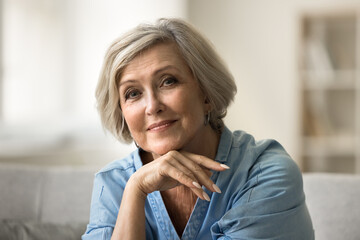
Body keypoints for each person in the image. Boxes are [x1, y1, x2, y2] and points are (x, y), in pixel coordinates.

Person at [82, 18, 314, 240]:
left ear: (206, 93)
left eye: (168, 81)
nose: (152, 106)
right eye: (133, 93)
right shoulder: (115, 184)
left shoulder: (265, 173)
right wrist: (136, 189)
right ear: (121, 112)